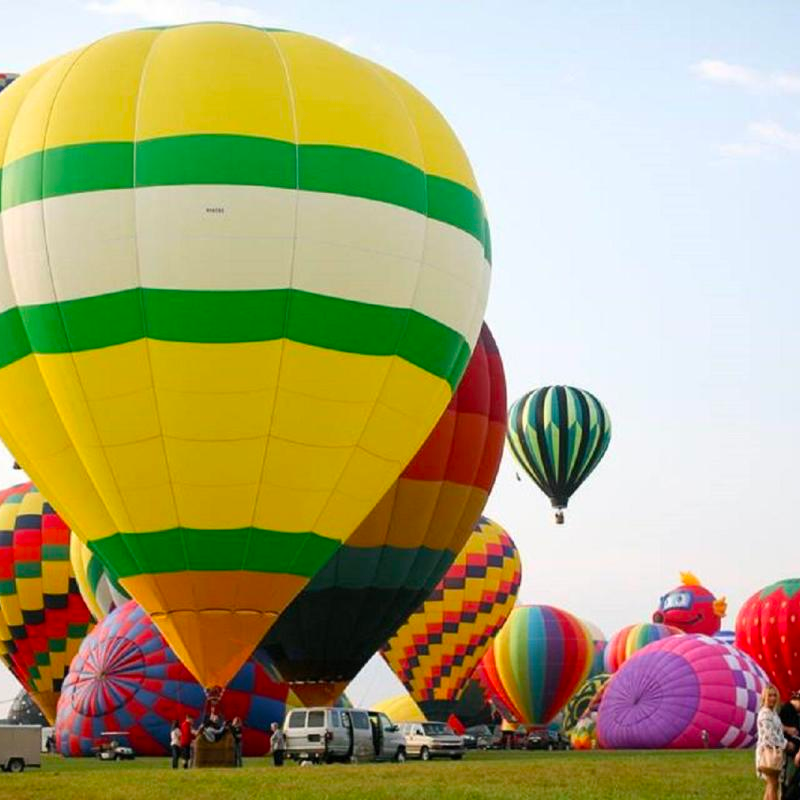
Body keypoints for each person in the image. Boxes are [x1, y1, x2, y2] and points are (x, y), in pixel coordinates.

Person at [758, 685, 788, 800]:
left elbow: (778, 731)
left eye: (775, 695)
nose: (773, 698)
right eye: (770, 695)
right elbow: (769, 736)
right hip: (769, 752)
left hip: (775, 752)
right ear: (764, 697)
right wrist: (785, 744)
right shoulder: (765, 714)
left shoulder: (773, 713)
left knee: (771, 784)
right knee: (773, 784)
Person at [780, 692, 800, 800]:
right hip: (789, 753)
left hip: (794, 752)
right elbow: (773, 727)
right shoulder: (786, 710)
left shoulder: (793, 712)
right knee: (789, 781)